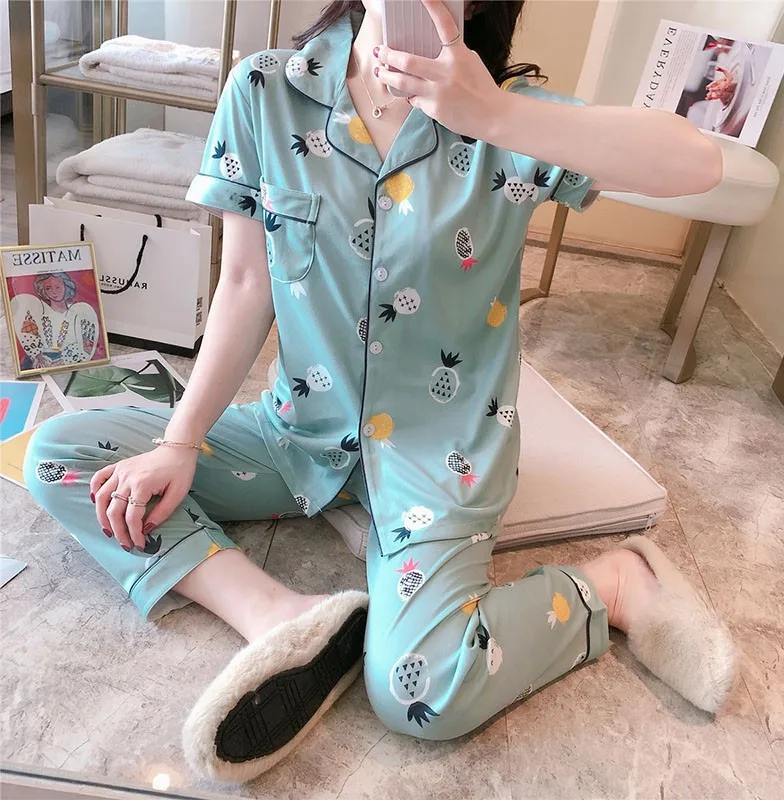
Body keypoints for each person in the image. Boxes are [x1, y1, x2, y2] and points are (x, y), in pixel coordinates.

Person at [24, 0, 736, 784]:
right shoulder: (265, 90)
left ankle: (618, 583)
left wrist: (494, 115)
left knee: (421, 691)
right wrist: (181, 441)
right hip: (296, 435)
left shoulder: (512, 116)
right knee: (60, 455)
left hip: (440, 455)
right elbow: (246, 284)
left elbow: (697, 164)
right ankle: (281, 616)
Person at [10, 271, 99, 370]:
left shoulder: (80, 311)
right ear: (43, 291)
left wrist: (64, 361)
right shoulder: (36, 311)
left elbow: (87, 346)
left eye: (58, 287)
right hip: (40, 362)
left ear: (66, 286)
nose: (54, 292)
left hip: (71, 362)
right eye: (48, 288)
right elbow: (27, 334)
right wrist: (39, 356)